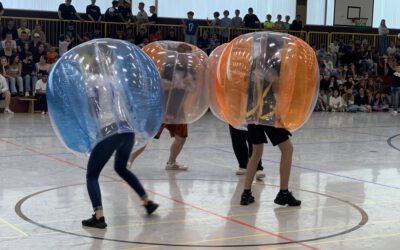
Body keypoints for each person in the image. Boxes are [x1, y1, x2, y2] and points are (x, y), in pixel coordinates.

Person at [81, 72, 159, 229]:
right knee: (121, 168)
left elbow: (93, 107)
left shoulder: (92, 79)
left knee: (92, 174)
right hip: (127, 129)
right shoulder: (116, 79)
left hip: (109, 129)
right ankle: (147, 202)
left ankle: (99, 216)